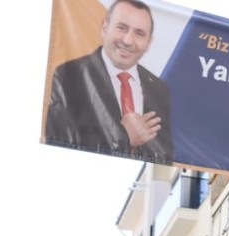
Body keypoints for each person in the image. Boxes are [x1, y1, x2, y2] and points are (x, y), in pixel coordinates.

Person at [44, 0, 174, 164]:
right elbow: (59, 139)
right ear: (104, 28)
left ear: (149, 42)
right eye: (122, 28)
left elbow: (165, 154)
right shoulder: (69, 75)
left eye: (139, 33)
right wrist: (124, 136)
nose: (128, 40)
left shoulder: (159, 89)